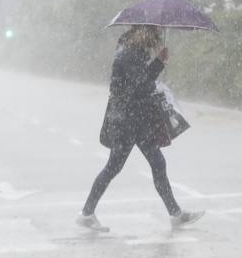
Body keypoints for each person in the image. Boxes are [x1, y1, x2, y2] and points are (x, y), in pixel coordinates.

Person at [77, 24, 204, 232]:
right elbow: (141, 85)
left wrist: (158, 63)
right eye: (155, 37)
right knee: (114, 167)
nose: (156, 42)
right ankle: (86, 213)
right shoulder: (128, 55)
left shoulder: (130, 51)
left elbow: (139, 82)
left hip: (134, 119)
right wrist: (159, 64)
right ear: (145, 35)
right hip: (128, 120)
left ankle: (175, 214)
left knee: (155, 163)